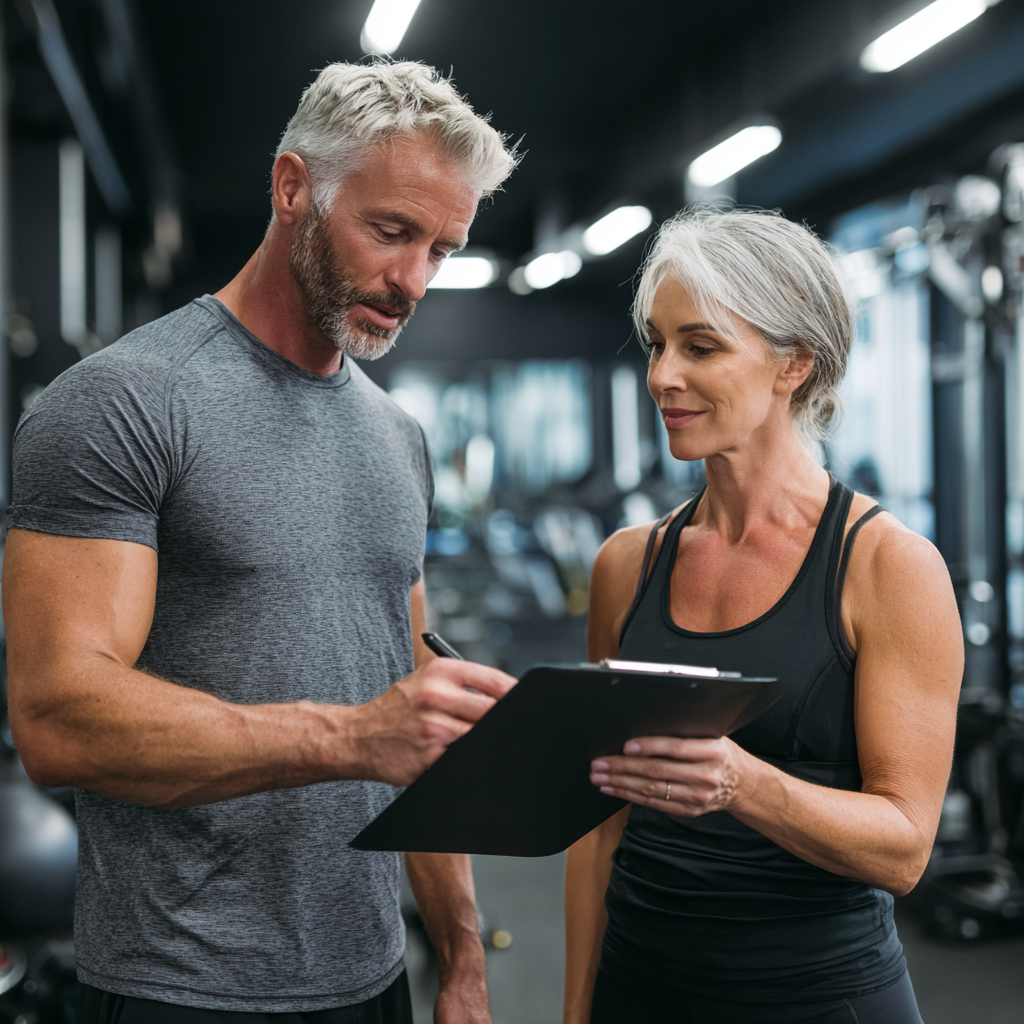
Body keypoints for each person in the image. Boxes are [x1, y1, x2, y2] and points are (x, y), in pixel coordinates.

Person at [4, 61, 519, 1024]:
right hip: (180, 984)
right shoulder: (126, 402)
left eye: (443, 249)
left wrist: (459, 956)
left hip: (371, 977)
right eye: (391, 231)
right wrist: (355, 736)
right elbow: (56, 719)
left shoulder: (398, 439)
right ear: (293, 188)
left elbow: (414, 695)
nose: (412, 281)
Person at [564, 207, 963, 1024]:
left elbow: (905, 848)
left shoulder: (888, 567)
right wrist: (577, 1011)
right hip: (641, 988)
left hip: (819, 999)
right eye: (657, 344)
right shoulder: (626, 564)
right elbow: (599, 822)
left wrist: (741, 783)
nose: (662, 375)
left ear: (794, 366)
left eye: (700, 347)